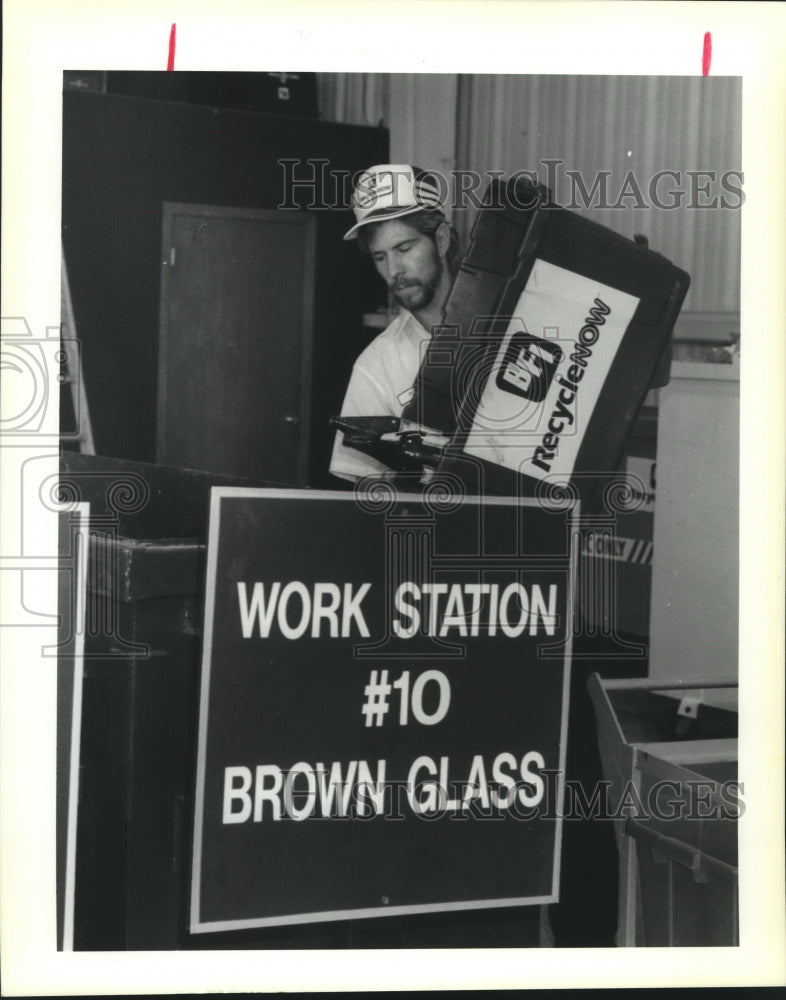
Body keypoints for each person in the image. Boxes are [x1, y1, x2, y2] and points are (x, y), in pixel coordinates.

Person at [329, 164, 460, 482]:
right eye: (380, 257)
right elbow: (365, 493)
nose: (393, 270)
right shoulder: (376, 366)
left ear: (441, 241)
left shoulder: (510, 315)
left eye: (404, 248)